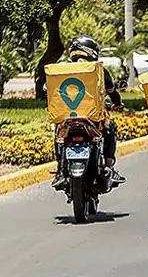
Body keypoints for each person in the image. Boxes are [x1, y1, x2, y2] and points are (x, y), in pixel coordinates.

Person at [51, 35, 127, 190]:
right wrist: (117, 104)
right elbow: (112, 93)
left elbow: (49, 89)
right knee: (110, 128)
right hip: (92, 119)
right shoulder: (99, 70)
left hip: (67, 119)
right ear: (90, 52)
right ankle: (108, 166)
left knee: (59, 134)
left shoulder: (61, 70)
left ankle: (60, 169)